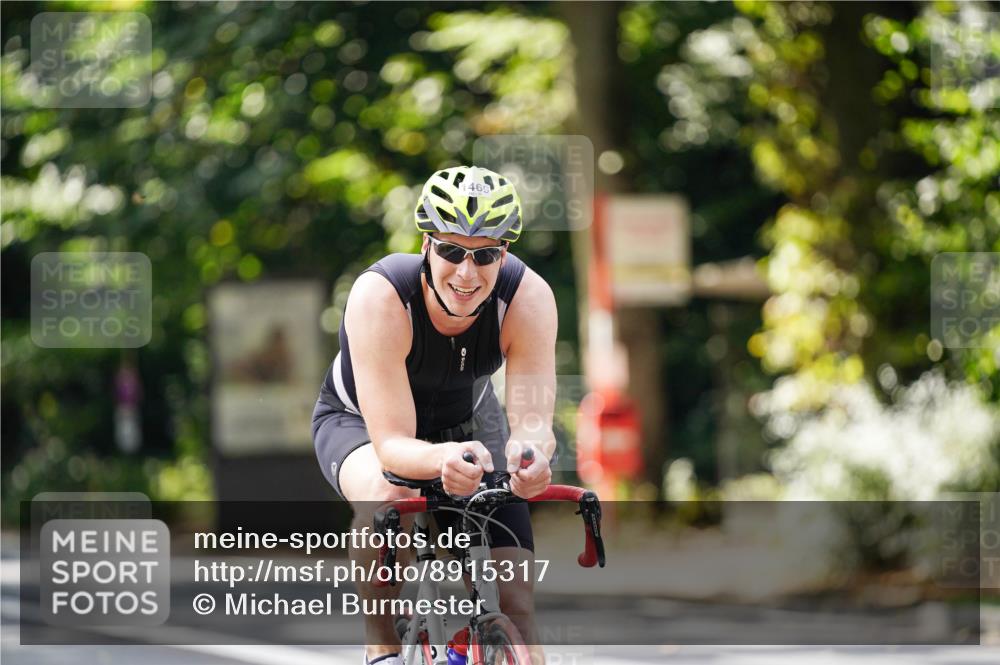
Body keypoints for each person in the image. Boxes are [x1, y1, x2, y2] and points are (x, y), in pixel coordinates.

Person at [313, 165, 557, 665]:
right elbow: (392, 446)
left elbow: (532, 422)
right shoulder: (382, 296)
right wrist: (440, 458)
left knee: (516, 599)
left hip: (468, 423)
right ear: (426, 245)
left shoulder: (528, 298)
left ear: (503, 254)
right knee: (390, 495)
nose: (467, 273)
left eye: (484, 255)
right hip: (361, 423)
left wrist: (531, 457)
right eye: (451, 251)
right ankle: (381, 643)